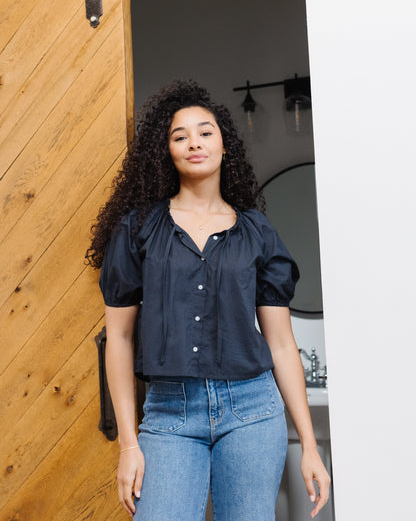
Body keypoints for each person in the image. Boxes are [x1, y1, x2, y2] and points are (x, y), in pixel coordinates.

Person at [86, 79, 331, 520]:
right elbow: (119, 339)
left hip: (253, 411)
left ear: (224, 145)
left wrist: (310, 445)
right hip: (169, 414)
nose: (194, 143)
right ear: (167, 152)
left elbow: (280, 344)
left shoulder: (257, 232)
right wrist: (128, 444)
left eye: (205, 132)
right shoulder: (138, 230)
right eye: (179, 136)